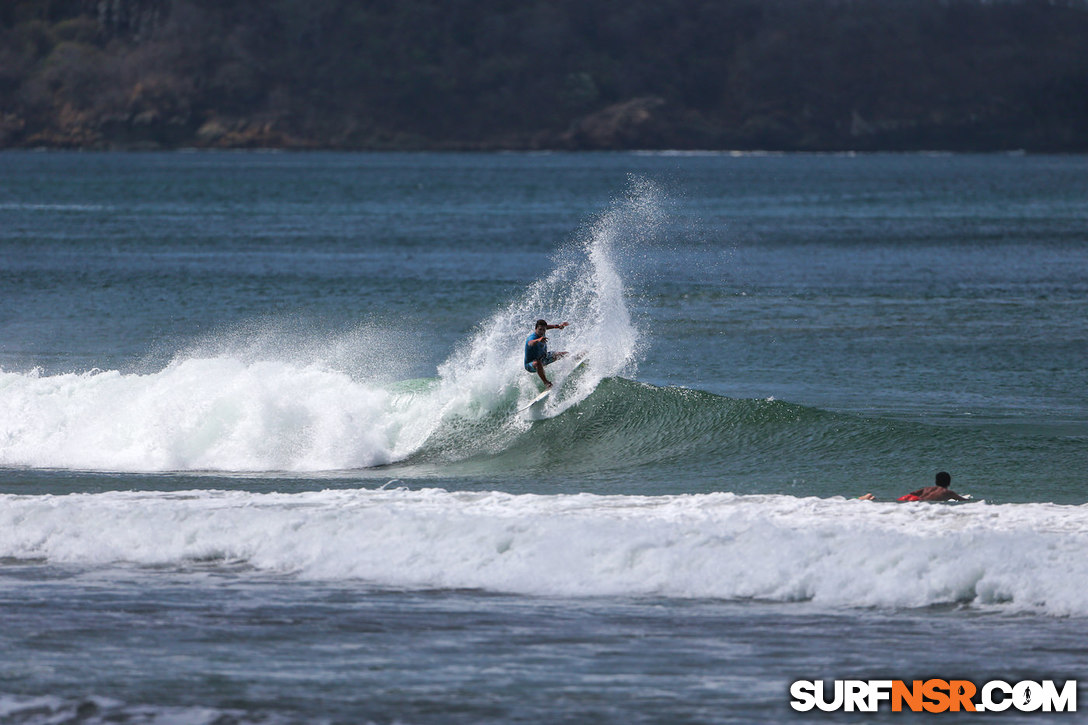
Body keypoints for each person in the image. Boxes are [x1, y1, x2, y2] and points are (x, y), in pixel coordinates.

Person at [858, 471, 969, 502]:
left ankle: (871, 498)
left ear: (936, 481)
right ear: (948, 483)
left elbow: (913, 493)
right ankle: (872, 499)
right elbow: (962, 500)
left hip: (912, 497)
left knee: (891, 502)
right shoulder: (948, 492)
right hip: (918, 502)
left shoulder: (927, 488)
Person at [524, 319, 569, 388]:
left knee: (564, 354)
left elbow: (546, 327)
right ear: (536, 329)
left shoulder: (542, 331)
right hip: (531, 365)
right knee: (537, 363)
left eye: (544, 330)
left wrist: (558, 326)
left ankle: (574, 359)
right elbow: (530, 343)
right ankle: (546, 382)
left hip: (543, 358)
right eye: (540, 329)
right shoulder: (532, 338)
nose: (542, 332)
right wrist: (538, 340)